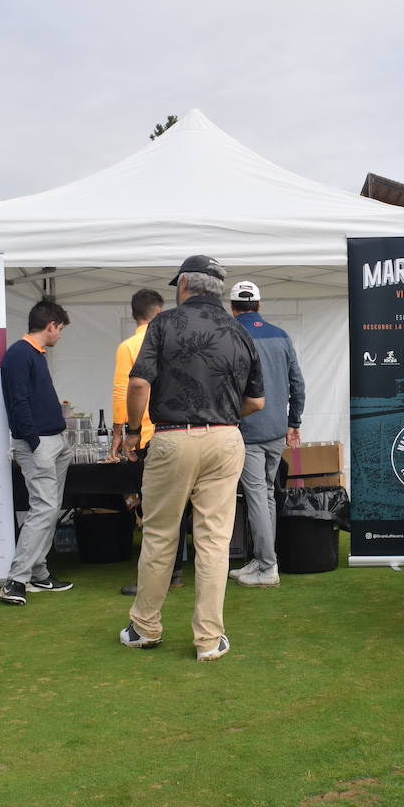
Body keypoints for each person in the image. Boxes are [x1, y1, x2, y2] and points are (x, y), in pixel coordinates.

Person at [117, 255, 263, 661]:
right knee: (214, 542)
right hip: (225, 437)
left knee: (161, 536)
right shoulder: (239, 331)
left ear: (183, 285)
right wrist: (225, 418)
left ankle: (145, 628)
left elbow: (138, 384)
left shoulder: (162, 324)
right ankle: (209, 639)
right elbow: (257, 400)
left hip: (172, 437)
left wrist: (131, 432)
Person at [226, 280, 305, 588]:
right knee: (267, 494)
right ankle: (263, 559)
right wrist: (294, 421)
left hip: (247, 429)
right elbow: (297, 383)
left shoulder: (231, 334)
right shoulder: (282, 335)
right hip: (275, 429)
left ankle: (267, 565)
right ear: (259, 305)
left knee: (257, 496)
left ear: (232, 307)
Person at [0, 300, 75, 606]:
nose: (60, 336)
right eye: (61, 329)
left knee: (50, 508)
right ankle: (16, 579)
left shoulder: (35, 355)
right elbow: (17, 401)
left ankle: (39, 572)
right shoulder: (18, 354)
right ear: (51, 325)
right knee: (44, 508)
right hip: (38, 442)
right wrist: (33, 440)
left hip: (53, 440)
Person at [110, 288, 186, 596]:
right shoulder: (174, 340)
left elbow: (123, 391)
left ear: (135, 314)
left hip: (146, 436)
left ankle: (160, 576)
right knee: (179, 507)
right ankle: (177, 569)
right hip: (177, 430)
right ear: (159, 311)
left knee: (155, 511)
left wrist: (121, 433)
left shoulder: (128, 346)